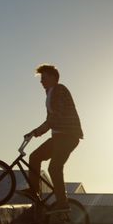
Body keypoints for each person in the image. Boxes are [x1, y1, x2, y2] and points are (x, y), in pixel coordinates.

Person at [16, 64, 84, 214]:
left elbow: (57, 114)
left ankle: (62, 204)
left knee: (54, 167)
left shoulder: (60, 89)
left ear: (53, 77)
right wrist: (35, 132)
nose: (41, 82)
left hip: (68, 136)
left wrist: (37, 131)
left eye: (43, 78)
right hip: (58, 136)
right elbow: (50, 120)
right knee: (35, 157)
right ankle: (34, 190)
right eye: (40, 79)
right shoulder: (49, 93)